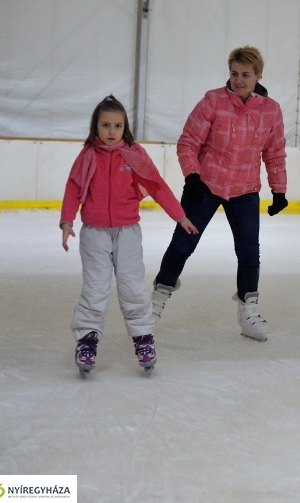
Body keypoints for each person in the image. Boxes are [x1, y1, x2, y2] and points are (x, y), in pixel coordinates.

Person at [151, 46, 288, 340]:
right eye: (234, 73)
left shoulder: (271, 110)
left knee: (249, 252)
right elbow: (188, 142)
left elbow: (274, 153)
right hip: (206, 185)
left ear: (258, 75)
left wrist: (279, 190)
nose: (239, 80)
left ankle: (249, 311)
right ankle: (155, 301)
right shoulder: (213, 100)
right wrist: (193, 175)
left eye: (246, 74)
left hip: (245, 189)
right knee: (182, 245)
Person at [60, 95, 198, 378]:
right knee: (95, 289)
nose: (112, 131)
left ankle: (143, 337)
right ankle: (86, 340)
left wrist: (180, 216)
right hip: (94, 233)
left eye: (118, 126)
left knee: (133, 287)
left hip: (127, 233)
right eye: (105, 125)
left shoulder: (134, 155)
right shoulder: (88, 155)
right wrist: (66, 220)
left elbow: (157, 186)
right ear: (96, 126)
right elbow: (73, 188)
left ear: (125, 127)